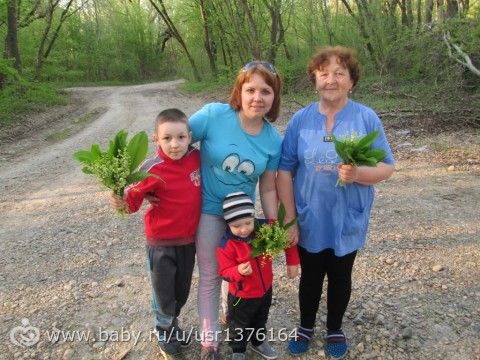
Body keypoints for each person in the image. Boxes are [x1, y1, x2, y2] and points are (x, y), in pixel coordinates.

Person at [276, 46, 395, 359]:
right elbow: (285, 171)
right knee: (311, 276)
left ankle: (334, 328)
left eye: (339, 73)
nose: (331, 79)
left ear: (351, 81)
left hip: (347, 217)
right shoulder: (300, 121)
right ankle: (305, 326)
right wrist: (289, 219)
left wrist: (358, 174)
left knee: (341, 275)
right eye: (324, 73)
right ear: (314, 79)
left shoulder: (366, 117)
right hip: (310, 216)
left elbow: (387, 167)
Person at [188, 61, 298, 359]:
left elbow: (268, 187)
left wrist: (274, 223)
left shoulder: (273, 141)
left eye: (266, 91)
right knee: (212, 274)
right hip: (210, 211)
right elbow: (175, 142)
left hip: (243, 218)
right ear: (240, 90)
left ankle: (244, 325)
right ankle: (209, 342)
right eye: (250, 90)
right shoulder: (213, 116)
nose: (257, 98)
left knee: (246, 271)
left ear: (275, 97)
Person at [109, 108, 201, 356]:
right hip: (160, 241)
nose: (175, 144)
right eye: (167, 138)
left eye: (181, 137)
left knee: (181, 291)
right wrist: (120, 198)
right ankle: (164, 332)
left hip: (188, 240)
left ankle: (173, 322)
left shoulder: (196, 158)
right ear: (155, 139)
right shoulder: (151, 167)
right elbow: (132, 202)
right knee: (163, 292)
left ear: (190, 137)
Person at [217, 192, 300, 360]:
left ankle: (258, 342)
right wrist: (238, 271)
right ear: (228, 224)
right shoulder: (226, 244)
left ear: (253, 216)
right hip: (242, 295)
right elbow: (224, 272)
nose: (243, 229)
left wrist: (292, 261)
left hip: (264, 290)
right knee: (239, 324)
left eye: (248, 222)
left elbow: (285, 238)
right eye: (236, 225)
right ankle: (238, 350)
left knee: (261, 318)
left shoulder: (265, 229)